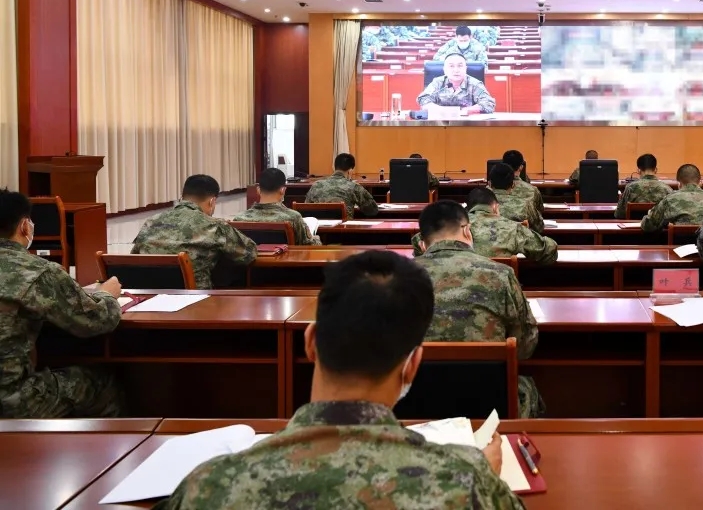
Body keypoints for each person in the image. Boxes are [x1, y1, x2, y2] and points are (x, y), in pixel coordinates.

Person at [158, 250, 523, 509]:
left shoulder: (207, 487)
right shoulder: (465, 482)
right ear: (413, 364)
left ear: (310, 342)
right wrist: (484, 477)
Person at [0, 189, 124, 419]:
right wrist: (107, 295)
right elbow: (96, 321)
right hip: (11, 402)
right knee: (100, 383)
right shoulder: (38, 271)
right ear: (25, 226)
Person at [413, 201, 542, 418]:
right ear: (467, 231)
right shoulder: (501, 274)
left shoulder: (395, 279)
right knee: (527, 387)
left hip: (415, 408)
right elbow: (525, 347)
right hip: (491, 410)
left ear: (422, 243)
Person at [132, 175, 257, 289]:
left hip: (152, 298)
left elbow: (135, 258)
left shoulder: (150, 222)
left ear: (182, 198)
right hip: (197, 299)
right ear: (212, 201)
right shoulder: (214, 226)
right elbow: (249, 254)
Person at [413, 188, 558, 264]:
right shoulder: (513, 228)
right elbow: (548, 252)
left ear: (467, 208)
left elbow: (418, 243)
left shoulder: (447, 228)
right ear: (495, 207)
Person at [234, 168, 321, 245]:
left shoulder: (239, 219)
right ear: (283, 190)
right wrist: (316, 238)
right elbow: (309, 247)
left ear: (258, 190)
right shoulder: (293, 217)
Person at [640, 164, 703, 233]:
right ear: (700, 183)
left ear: (679, 184)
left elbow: (648, 226)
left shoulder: (669, 199)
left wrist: (651, 213)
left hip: (678, 247)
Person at [304, 153, 379, 220]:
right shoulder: (354, 187)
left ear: (334, 167)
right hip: (344, 229)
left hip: (320, 228)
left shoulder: (316, 185)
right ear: (350, 171)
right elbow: (372, 210)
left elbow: (305, 209)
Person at [416, 53, 496, 115]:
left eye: (460, 66)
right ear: (444, 70)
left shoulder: (475, 84)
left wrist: (466, 110)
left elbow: (488, 103)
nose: (456, 70)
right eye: (451, 66)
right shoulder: (438, 83)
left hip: (467, 124)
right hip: (441, 124)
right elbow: (423, 99)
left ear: (465, 69)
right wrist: (441, 110)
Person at [488, 162, 543, 232]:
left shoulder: (480, 205)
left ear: (489, 184)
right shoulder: (525, 205)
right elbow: (539, 226)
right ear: (513, 185)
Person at [615, 153, 674, 219]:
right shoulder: (667, 189)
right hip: (658, 226)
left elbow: (619, 214)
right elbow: (672, 214)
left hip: (634, 225)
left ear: (638, 170)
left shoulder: (630, 187)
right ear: (656, 170)